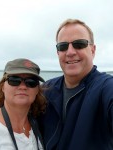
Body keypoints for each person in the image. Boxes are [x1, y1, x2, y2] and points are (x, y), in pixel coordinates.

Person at [38, 19, 113, 150]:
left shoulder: (105, 87)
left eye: (79, 44)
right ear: (58, 53)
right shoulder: (46, 90)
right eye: (63, 46)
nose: (70, 52)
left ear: (93, 50)